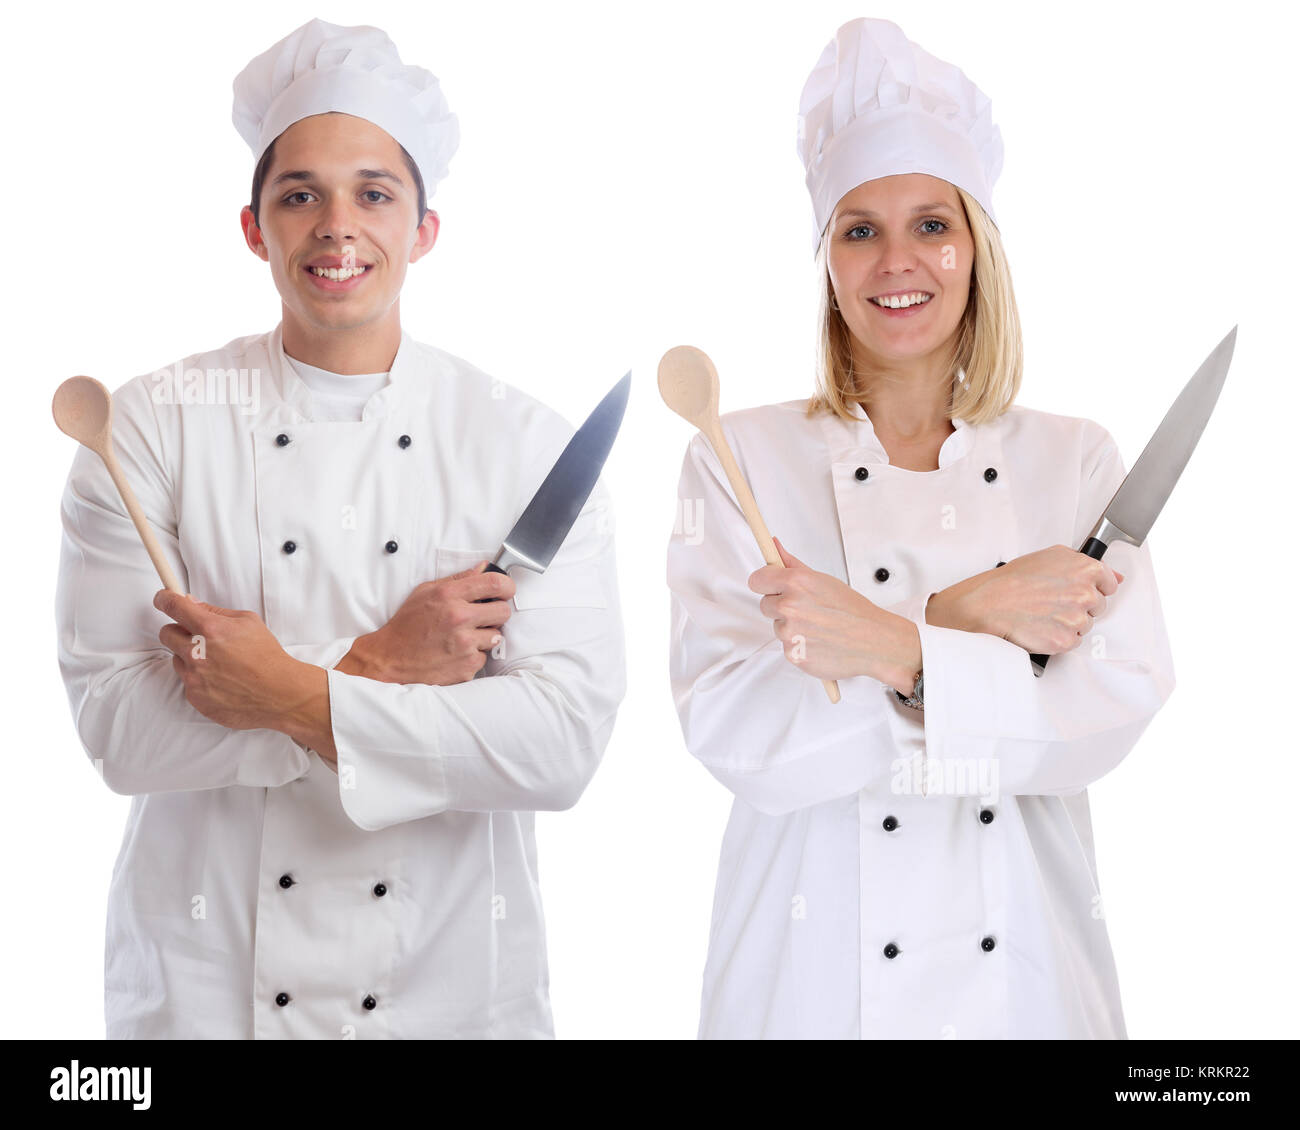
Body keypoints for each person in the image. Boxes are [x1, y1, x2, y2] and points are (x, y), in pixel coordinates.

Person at [54, 18, 625, 1039]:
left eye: (374, 192)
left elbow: (558, 748)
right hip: (204, 989)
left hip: (449, 989)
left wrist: (273, 687)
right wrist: (378, 661)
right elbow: (121, 730)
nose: (336, 224)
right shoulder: (144, 424)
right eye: (299, 193)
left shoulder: (524, 442)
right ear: (252, 225)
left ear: (424, 229)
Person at [666, 17, 1175, 1039]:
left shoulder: (1074, 458)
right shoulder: (735, 456)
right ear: (826, 258)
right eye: (858, 227)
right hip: (810, 983)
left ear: (976, 246)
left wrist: (896, 643)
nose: (896, 260)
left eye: (930, 223)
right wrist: (970, 619)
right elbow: (740, 734)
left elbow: (1105, 712)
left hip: (1024, 981)